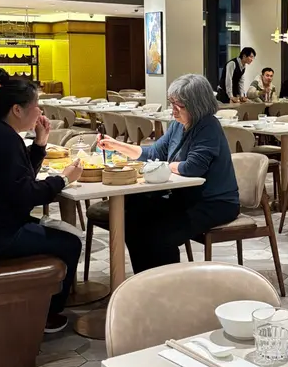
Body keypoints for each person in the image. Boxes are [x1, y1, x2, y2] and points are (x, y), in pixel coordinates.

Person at [0, 80, 83, 333]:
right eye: (36, 106)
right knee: (70, 243)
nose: (40, 112)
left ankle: (43, 302)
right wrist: (64, 179)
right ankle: (47, 314)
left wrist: (40, 144)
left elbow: (19, 180)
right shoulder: (3, 140)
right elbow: (26, 195)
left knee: (61, 232)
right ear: (17, 109)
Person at [99, 73, 240, 273]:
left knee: (160, 234)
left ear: (196, 105)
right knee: (134, 217)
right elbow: (154, 153)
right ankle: (145, 278)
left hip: (215, 203)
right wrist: (117, 146)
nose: (173, 110)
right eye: (171, 103)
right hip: (185, 197)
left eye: (178, 105)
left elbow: (192, 168)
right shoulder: (177, 125)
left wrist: (166, 164)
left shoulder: (208, 126)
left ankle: (167, 282)